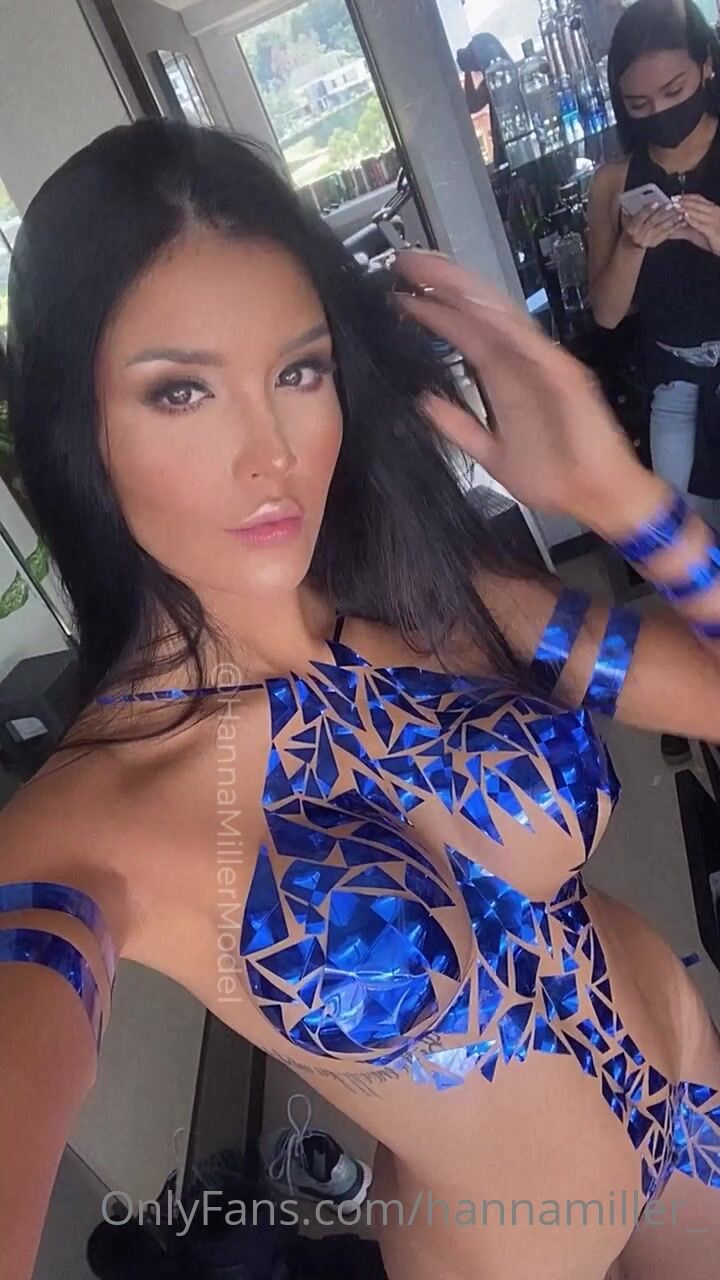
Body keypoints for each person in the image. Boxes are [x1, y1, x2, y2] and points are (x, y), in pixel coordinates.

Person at [1, 119, 720, 1280]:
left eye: (299, 370)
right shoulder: (88, 830)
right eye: (180, 391)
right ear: (76, 428)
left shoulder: (438, 593)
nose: (271, 452)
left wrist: (617, 494)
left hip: (694, 1092)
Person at [588, 0, 720, 539]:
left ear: (706, 66)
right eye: (638, 104)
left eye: (674, 91)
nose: (659, 113)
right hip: (678, 390)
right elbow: (606, 314)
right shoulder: (612, 183)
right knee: (691, 557)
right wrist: (631, 245)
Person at [456, 33, 510, 167]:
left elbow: (473, 104)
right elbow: (473, 104)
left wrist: (467, 68)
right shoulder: (499, 75)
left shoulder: (500, 75)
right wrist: (467, 70)